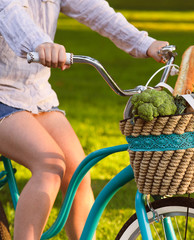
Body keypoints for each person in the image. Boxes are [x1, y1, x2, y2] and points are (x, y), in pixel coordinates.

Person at [0, 0, 168, 239]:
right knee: (50, 167)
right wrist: (41, 43)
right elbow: (11, 14)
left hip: (37, 95)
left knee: (78, 173)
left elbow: (96, 10)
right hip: (2, 95)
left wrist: (146, 43)